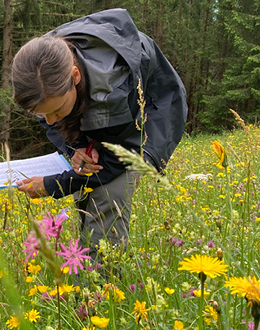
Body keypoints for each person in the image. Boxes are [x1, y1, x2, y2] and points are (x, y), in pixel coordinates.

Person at [12, 8, 187, 262]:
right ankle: (86, 261)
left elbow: (116, 162)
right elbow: (54, 120)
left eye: (56, 110)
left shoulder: (114, 90)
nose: (49, 121)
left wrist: (52, 185)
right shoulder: (40, 67)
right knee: (85, 175)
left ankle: (102, 287)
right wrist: (75, 150)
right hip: (95, 104)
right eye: (41, 114)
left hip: (151, 112)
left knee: (108, 194)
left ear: (75, 76)